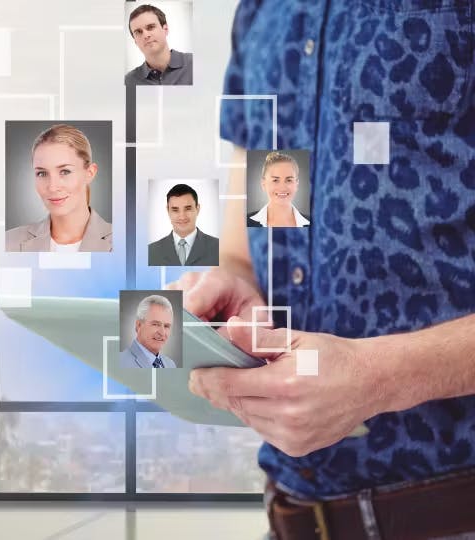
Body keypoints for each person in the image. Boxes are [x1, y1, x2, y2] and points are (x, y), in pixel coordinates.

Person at [169, 1, 475, 537]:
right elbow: (247, 248)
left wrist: (377, 378)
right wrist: (233, 284)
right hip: (290, 513)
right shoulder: (259, 12)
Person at [6, 124, 112, 252]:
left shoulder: (127, 243)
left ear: (90, 173)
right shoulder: (8, 243)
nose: (52, 187)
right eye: (42, 173)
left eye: (65, 171)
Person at [148, 183, 220, 266]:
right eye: (175, 210)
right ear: (168, 211)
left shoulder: (219, 249)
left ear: (198, 209)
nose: (182, 217)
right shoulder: (151, 252)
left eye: (188, 209)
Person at [125, 4, 193, 86]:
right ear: (135, 41)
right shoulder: (129, 81)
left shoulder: (194, 64)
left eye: (150, 27)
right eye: (138, 32)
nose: (146, 35)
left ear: (165, 29)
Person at [246, 152, 310, 228]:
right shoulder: (245, 222)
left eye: (289, 180)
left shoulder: (312, 223)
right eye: (275, 180)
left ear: (297, 184)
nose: (282, 187)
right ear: (263, 184)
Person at [120, 295, 177, 368]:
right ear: (139, 325)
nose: (162, 333)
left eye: (166, 326)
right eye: (156, 324)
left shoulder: (171, 364)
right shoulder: (121, 362)